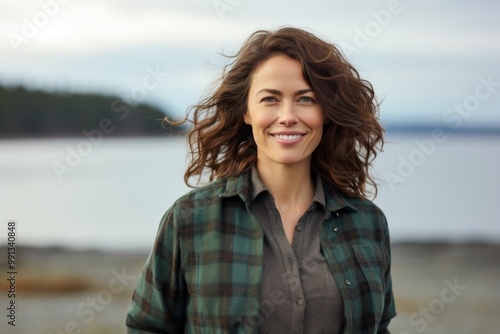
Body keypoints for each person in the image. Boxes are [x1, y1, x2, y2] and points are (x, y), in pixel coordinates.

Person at [126, 26, 396, 333]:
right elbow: (147, 326)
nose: (288, 116)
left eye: (306, 99)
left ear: (326, 111)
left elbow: (380, 326)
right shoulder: (190, 220)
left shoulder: (368, 223)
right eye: (270, 99)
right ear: (246, 112)